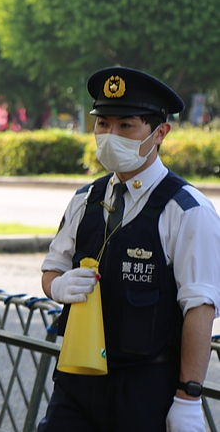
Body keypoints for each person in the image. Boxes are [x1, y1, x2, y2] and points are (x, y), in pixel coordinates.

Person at [39, 67, 220, 432]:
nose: (110, 136)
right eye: (102, 124)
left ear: (159, 133)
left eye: (126, 126)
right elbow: (51, 268)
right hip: (77, 380)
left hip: (146, 385)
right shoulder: (85, 200)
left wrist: (188, 397)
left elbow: (200, 309)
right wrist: (57, 286)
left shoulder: (186, 211)